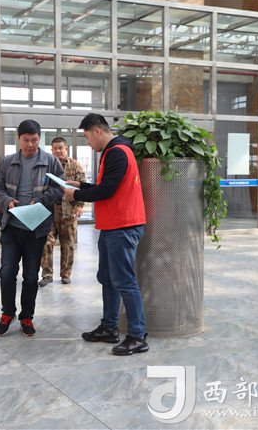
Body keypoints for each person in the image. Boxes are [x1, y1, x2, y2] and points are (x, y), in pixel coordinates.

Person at [63, 113, 149, 356]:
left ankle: (138, 335)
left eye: (87, 137)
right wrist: (82, 186)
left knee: (124, 281)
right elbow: (107, 187)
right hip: (113, 225)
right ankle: (109, 328)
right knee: (108, 278)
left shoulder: (117, 152)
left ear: (97, 131)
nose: (88, 142)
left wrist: (76, 195)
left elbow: (107, 191)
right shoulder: (114, 152)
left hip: (122, 226)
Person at [0, 119, 64, 337]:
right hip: (11, 227)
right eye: (26, 140)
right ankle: (7, 313)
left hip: (36, 229)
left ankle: (26, 316)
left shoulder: (51, 161)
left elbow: (59, 187)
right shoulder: (7, 162)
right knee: (7, 272)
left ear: (39, 139)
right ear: (18, 139)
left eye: (34, 140)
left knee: (31, 276)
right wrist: (7, 201)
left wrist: (41, 201)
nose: (30, 144)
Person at [39, 137, 86, 287]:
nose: (58, 151)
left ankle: (66, 274)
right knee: (46, 242)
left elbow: (83, 185)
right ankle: (47, 274)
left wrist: (80, 205)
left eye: (61, 148)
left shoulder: (75, 165)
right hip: (48, 210)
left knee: (68, 243)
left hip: (68, 209)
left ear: (66, 148)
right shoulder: (46, 166)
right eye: (55, 148)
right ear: (51, 150)